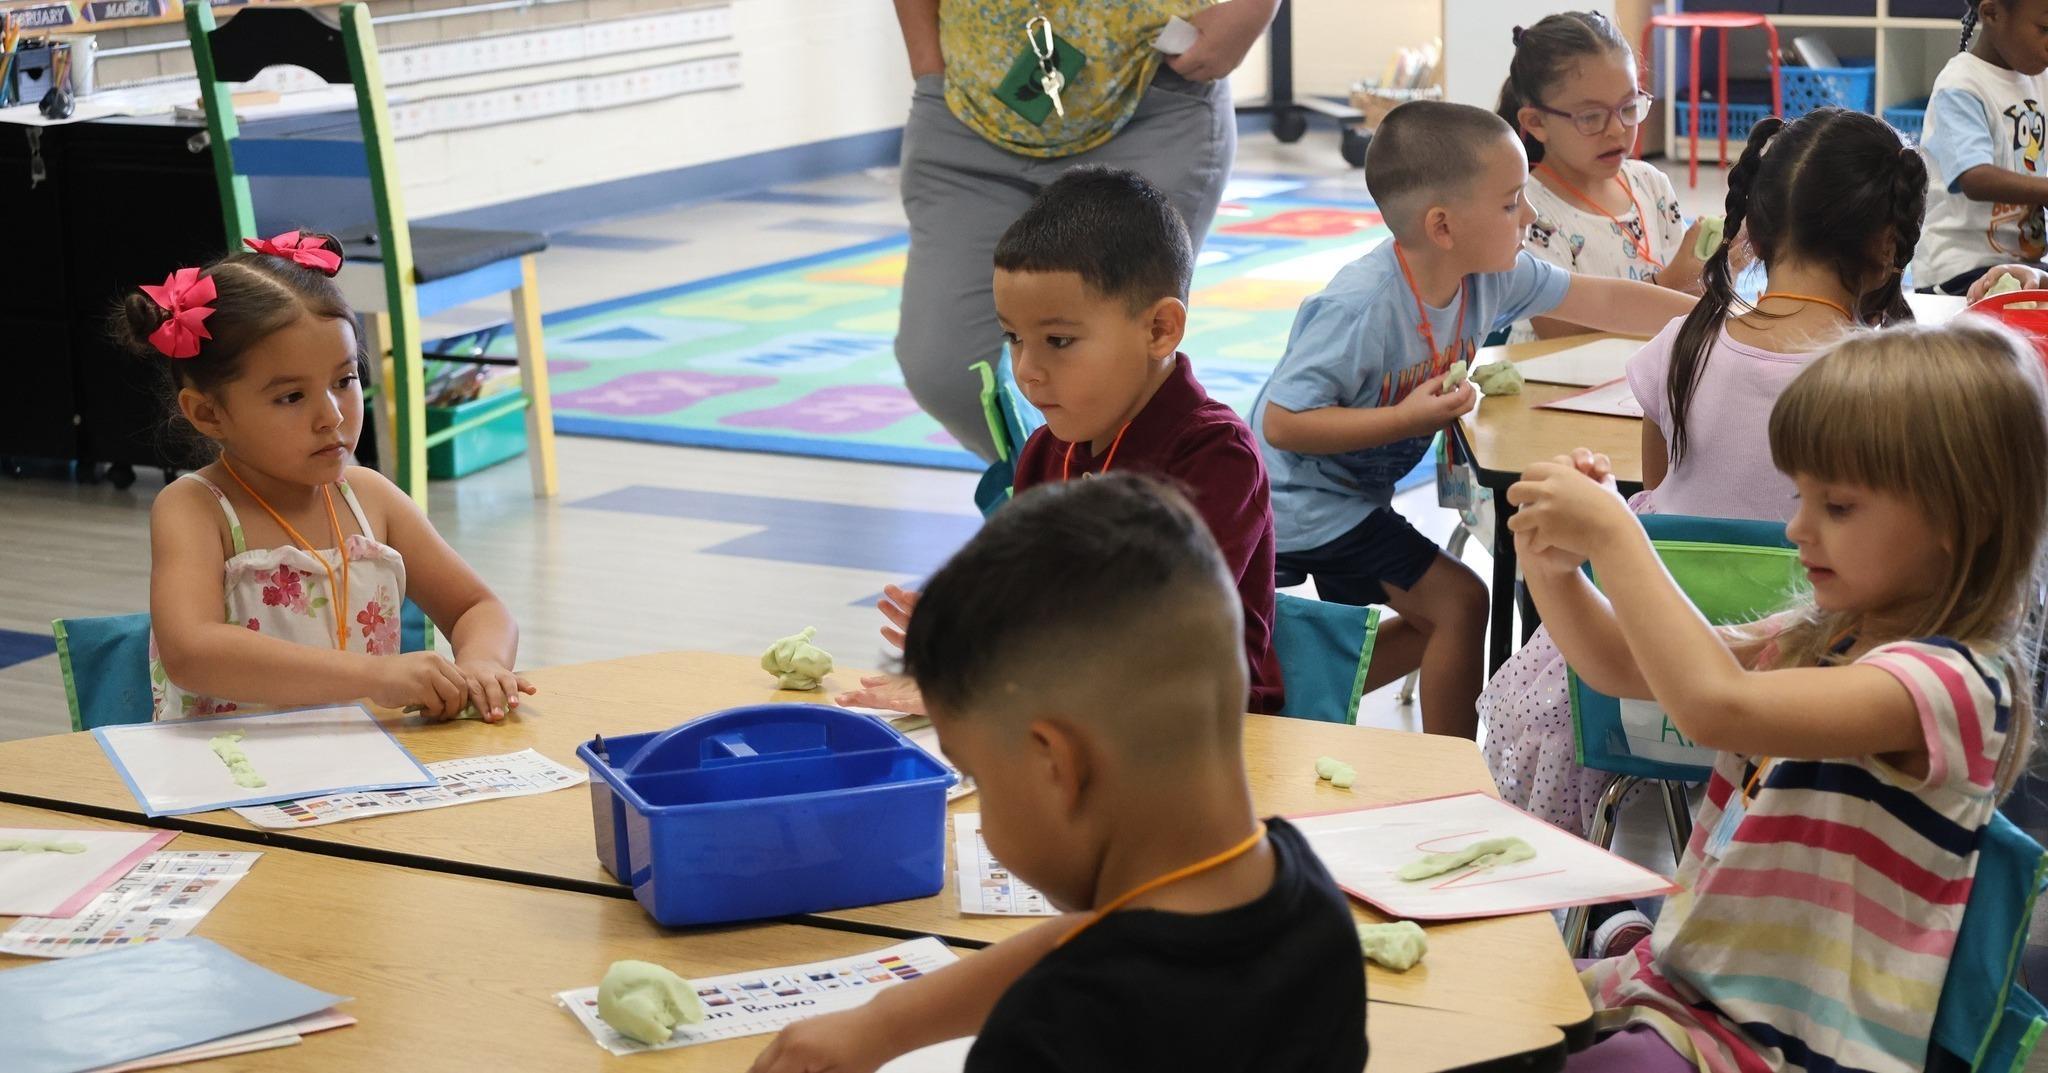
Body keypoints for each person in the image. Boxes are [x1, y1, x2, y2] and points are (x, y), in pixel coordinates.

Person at [1508, 319, 2047, 1073]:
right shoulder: (1825, 635)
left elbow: (1713, 704)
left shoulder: (1950, 688)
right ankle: (1622, 937)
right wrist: (1553, 566)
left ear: (1964, 517)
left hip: (1787, 1044)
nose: (1797, 526)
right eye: (1801, 495)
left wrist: (1617, 536)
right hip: (1706, 993)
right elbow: (1616, 664)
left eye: (1839, 506)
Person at [752, 475, 1365, 1073]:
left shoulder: (1054, 1034)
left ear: (1056, 764)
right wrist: (886, 1020)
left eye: (981, 780)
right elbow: (1100, 938)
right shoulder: (1310, 905)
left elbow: (1095, 959)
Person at [1252, 100, 1695, 739]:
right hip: (1296, 502)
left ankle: (1281, 694)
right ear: (1442, 226)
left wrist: (1711, 323)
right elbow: (1285, 425)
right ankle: (1453, 776)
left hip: (1346, 497)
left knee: (1450, 613)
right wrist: (1402, 419)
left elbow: (1601, 300)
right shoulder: (1359, 308)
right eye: (1513, 202)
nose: (1533, 215)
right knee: (1460, 603)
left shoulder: (1490, 277)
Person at [845, 167, 1283, 715]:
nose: (1027, 370)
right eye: (1013, 338)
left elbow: (1157, 640)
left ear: (1160, 330)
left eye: (1058, 340)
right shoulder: (1047, 450)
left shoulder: (1214, 456)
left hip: (1203, 731)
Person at [129, 232, 532, 722]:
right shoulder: (195, 510)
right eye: (291, 397)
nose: (332, 416)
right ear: (209, 413)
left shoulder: (370, 498)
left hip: (367, 767)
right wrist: (374, 675)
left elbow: (478, 608)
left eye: (345, 381)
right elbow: (193, 652)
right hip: (231, 771)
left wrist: (483, 663)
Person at [891, 0, 1279, 459]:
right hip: (967, 104)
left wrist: (1258, 7)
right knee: (946, 371)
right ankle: (1057, 501)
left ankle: (1107, 511)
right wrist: (927, 68)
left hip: (1152, 91)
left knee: (1116, 372)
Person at [1497, 11, 1705, 341]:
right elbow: (1556, 329)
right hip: (1556, 378)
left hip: (1636, 373)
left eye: (1628, 107)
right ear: (1536, 122)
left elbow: (1685, 301)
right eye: (1591, 117)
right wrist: (1674, 281)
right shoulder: (1526, 209)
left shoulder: (1650, 185)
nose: (1617, 129)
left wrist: (1717, 268)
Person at [1911, 0, 2048, 295]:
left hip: (2024, 264)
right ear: (1992, 13)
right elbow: (1974, 178)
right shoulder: (1960, 85)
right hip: (1962, 268)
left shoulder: (2039, 78)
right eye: (2045, 29)